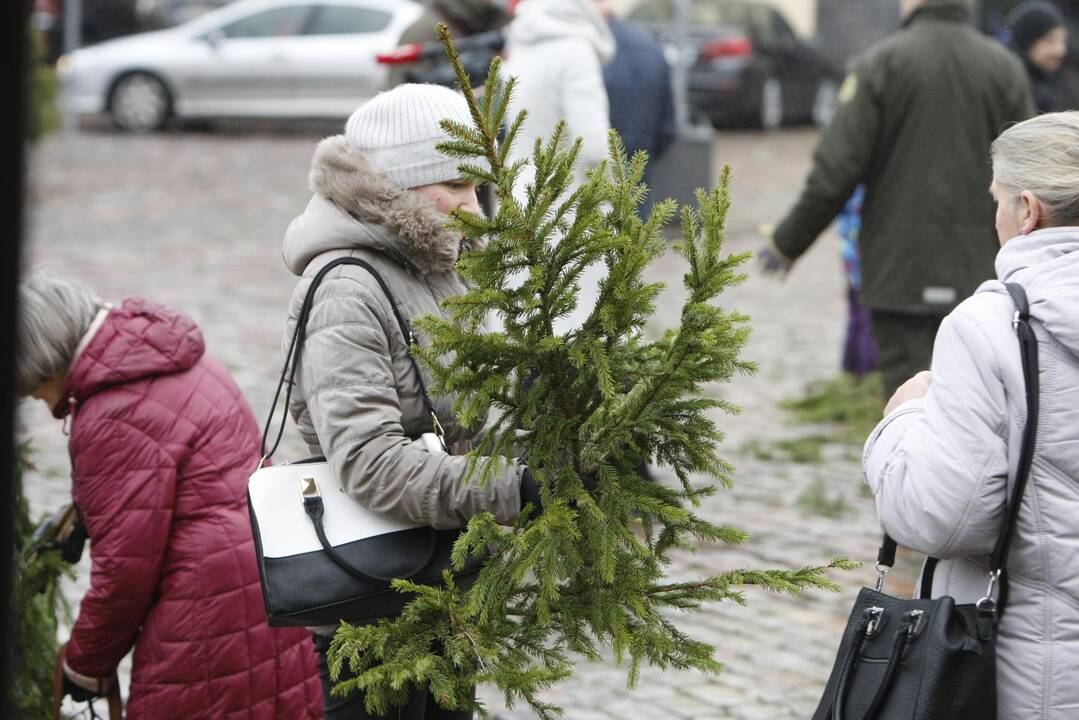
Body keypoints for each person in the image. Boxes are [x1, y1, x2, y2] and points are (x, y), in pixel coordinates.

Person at [281, 83, 539, 719]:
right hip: (373, 607)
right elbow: (368, 461)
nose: (473, 210)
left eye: (478, 189)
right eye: (455, 187)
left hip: (440, 583)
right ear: (400, 182)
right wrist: (519, 486)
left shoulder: (435, 264)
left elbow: (465, 416)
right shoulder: (347, 286)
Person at [15, 271, 323, 719]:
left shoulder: (108, 413)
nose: (43, 403)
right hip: (270, 585)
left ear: (47, 361)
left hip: (204, 614)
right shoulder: (165, 355)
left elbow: (122, 576)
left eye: (34, 390)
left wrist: (84, 665)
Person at [863, 111, 1079, 719]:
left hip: (1033, 675)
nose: (996, 218)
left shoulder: (991, 329)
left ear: (1028, 210)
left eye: (998, 202)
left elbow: (943, 517)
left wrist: (901, 421)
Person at [759, 0, 1034, 398]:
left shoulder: (881, 63)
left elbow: (837, 170)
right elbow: (1028, 173)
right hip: (985, 268)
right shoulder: (1004, 67)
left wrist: (787, 242)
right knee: (980, 401)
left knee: (909, 402)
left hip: (901, 269)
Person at [503, 0, 615, 195]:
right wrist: (614, 196)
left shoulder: (520, 40)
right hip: (569, 203)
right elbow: (593, 146)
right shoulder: (577, 51)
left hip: (518, 193)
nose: (609, 7)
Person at [598, 0, 676, 181]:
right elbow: (667, 124)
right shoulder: (650, 46)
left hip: (586, 170)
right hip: (637, 163)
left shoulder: (580, 47)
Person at [1007, 1, 1070, 113]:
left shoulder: (1050, 82)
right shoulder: (1013, 89)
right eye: (1050, 40)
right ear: (1027, 42)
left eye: (1062, 41)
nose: (1060, 50)